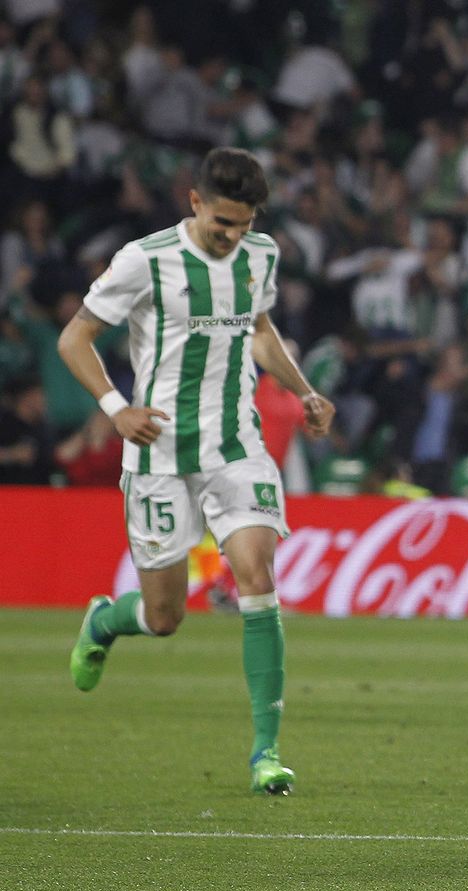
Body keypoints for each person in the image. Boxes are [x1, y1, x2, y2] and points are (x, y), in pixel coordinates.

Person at [55, 147, 334, 794]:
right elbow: (76, 337)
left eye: (243, 223)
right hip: (158, 451)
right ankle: (104, 620)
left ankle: (266, 751)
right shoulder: (144, 260)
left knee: (256, 574)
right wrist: (117, 408)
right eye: (221, 224)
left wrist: (303, 390)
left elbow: (259, 330)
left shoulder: (260, 255)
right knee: (165, 615)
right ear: (195, 203)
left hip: (236, 443)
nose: (232, 235)